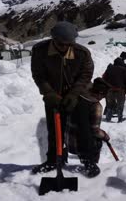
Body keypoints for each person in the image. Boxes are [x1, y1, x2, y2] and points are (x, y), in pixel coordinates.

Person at [31, 21, 94, 174]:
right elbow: (38, 75)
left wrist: (73, 94)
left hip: (77, 94)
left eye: (69, 43)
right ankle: (54, 159)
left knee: (83, 127)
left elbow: (86, 75)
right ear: (53, 39)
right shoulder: (40, 51)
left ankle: (88, 159)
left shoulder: (82, 53)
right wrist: (48, 93)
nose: (65, 47)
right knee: (53, 128)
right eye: (61, 44)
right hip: (53, 95)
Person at [66, 77, 111, 177]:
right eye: (103, 95)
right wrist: (105, 136)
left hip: (68, 140)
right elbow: (95, 130)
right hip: (83, 146)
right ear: (99, 93)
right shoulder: (96, 106)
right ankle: (91, 164)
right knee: (98, 141)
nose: (102, 98)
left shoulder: (76, 95)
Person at [103, 58, 126, 122]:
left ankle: (108, 118)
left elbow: (104, 78)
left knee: (110, 104)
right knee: (120, 104)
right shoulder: (124, 70)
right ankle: (120, 119)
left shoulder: (109, 69)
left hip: (110, 89)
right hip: (120, 90)